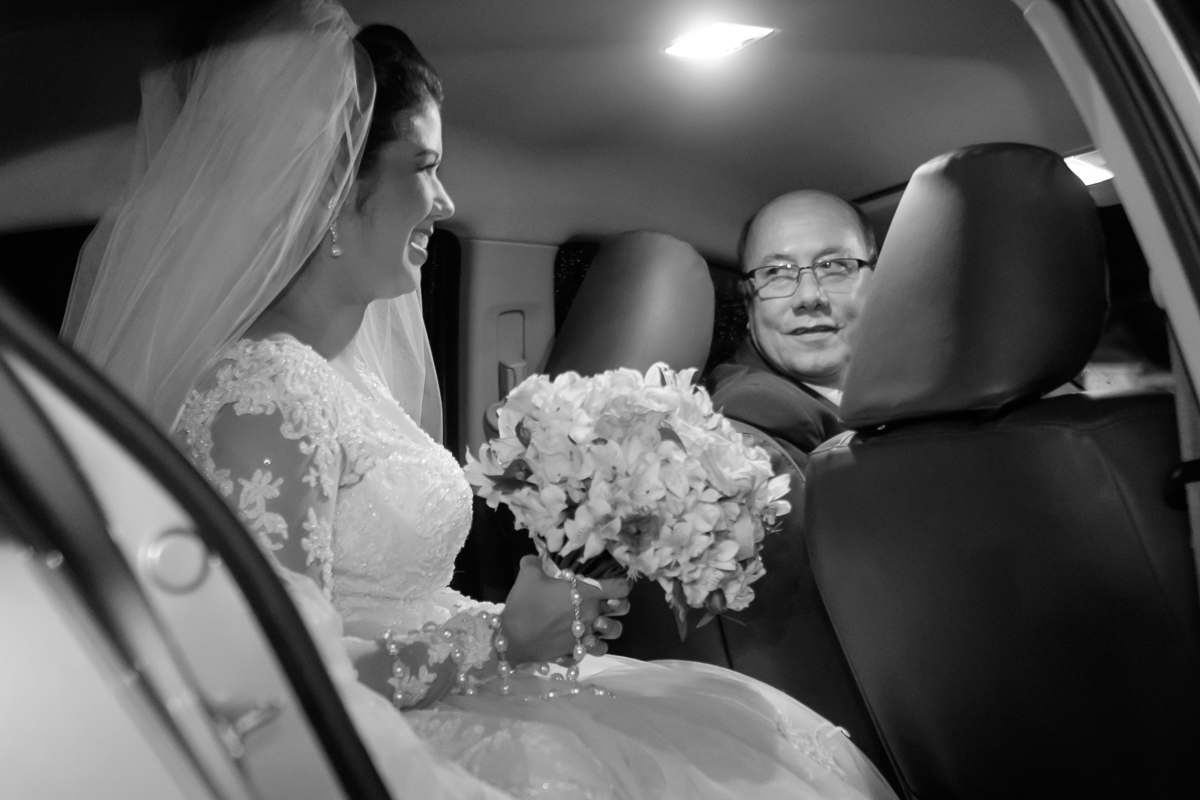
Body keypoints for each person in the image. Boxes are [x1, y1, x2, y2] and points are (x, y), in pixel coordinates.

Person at [65, 3, 897, 798]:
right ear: (329, 193)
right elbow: (276, 684)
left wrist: (529, 619)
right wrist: (501, 637)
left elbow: (389, 604)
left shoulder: (348, 377)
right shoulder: (258, 394)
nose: (445, 201)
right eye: (425, 169)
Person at [709, 191, 878, 468]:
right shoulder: (757, 407)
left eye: (833, 266)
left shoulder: (908, 383)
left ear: (878, 283)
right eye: (777, 273)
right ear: (748, 304)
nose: (809, 297)